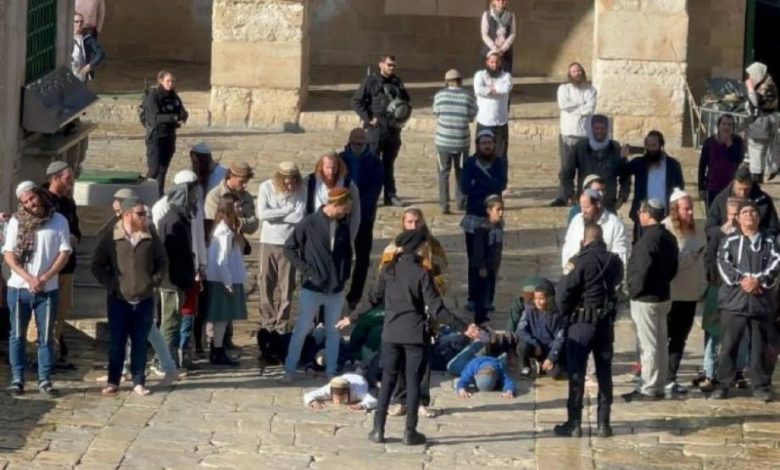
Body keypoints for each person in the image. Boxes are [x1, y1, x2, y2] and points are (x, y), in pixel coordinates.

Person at [338, 229, 469, 446]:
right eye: (423, 245)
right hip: (414, 335)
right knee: (413, 380)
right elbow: (437, 309)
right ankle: (410, 431)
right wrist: (464, 327)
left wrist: (351, 318)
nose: (426, 248)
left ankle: (378, 429)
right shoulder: (422, 273)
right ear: (417, 247)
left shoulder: (389, 270)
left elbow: (372, 299)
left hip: (391, 333)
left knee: (388, 380)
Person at [91, 196, 166, 397]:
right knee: (117, 342)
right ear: (127, 214)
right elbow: (97, 264)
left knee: (140, 342)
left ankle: (139, 381)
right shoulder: (112, 237)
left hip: (144, 299)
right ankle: (113, 380)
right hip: (119, 300)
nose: (144, 217)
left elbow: (162, 261)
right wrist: (112, 284)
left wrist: (153, 281)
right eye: (140, 213)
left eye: (145, 213)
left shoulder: (150, 235)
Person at [379, 207, 449, 419]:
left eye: (417, 221)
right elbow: (383, 277)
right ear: (403, 223)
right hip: (400, 310)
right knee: (399, 361)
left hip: (427, 306)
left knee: (422, 359)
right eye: (409, 221)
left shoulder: (433, 246)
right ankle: (401, 400)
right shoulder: (393, 247)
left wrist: (433, 288)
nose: (413, 225)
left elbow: (444, 274)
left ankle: (421, 400)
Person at [3, 182, 72, 397]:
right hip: (19, 288)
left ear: (39, 195)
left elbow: (64, 252)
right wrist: (29, 278)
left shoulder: (59, 220)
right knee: (17, 335)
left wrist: (44, 278)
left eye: (32, 198)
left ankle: (45, 379)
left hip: (47, 289)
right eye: (25, 202)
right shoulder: (16, 221)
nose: (30, 204)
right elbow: (9, 254)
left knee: (46, 335)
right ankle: (17, 378)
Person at [554, 223, 623, 438]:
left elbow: (563, 292)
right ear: (602, 240)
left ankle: (574, 423)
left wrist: (565, 316)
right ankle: (604, 423)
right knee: (604, 374)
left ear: (584, 241)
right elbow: (618, 282)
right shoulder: (614, 261)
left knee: (576, 373)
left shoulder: (579, 261)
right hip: (604, 324)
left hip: (581, 324)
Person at [283, 188, 354, 382]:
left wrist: (344, 275)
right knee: (302, 329)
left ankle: (331, 370)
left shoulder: (343, 225)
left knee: (333, 330)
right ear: (335, 204)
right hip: (312, 287)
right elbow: (289, 248)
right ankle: (289, 369)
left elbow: (347, 253)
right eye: (345, 208)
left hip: (335, 288)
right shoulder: (309, 223)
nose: (347, 212)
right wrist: (308, 271)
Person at [713, 200, 780, 402]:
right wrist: (742, 280)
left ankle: (761, 385)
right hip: (734, 302)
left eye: (753, 212)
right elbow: (723, 262)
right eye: (745, 212)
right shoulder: (730, 241)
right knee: (728, 345)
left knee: (760, 347)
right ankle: (723, 384)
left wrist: (758, 280)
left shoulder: (769, 241)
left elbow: (776, 262)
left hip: (760, 302)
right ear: (739, 218)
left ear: (758, 217)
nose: (749, 215)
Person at [623, 199, 679, 402]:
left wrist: (634, 292)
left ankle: (648, 387)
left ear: (647, 214)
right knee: (661, 343)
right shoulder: (668, 236)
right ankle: (659, 383)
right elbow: (674, 267)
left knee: (648, 345)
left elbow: (642, 270)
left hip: (646, 299)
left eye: (641, 212)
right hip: (662, 295)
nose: (639, 215)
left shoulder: (647, 240)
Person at [152, 170, 200, 369]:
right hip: (172, 280)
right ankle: (162, 361)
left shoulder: (180, 217)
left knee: (175, 320)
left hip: (179, 278)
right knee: (170, 323)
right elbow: (169, 253)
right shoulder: (172, 220)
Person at [661, 189, 706, 395]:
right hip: (672, 294)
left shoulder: (698, 228)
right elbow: (671, 261)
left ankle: (670, 377)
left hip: (691, 294)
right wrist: (692, 256)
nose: (690, 212)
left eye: (691, 208)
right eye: (686, 209)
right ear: (675, 210)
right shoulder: (666, 229)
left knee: (680, 338)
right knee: (664, 337)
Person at [352, 54, 410, 207]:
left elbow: (406, 101)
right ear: (381, 64)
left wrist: (402, 117)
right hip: (376, 129)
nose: (392, 68)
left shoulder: (397, 82)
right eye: (389, 65)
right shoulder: (370, 81)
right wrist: (368, 118)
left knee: (388, 164)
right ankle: (368, 195)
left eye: (394, 65)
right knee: (371, 164)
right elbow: (356, 101)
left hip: (393, 129)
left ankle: (390, 195)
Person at [697, 197, 742, 392]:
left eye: (736, 215)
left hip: (739, 291)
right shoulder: (719, 234)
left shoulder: (747, 235)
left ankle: (737, 372)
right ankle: (710, 372)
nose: (732, 219)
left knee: (739, 334)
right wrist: (710, 281)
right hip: (718, 286)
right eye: (730, 214)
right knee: (712, 332)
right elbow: (709, 258)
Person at [256, 161, 305, 335]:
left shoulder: (301, 190)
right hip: (268, 241)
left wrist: (275, 215)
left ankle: (282, 323)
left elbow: (299, 217)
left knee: (287, 285)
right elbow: (262, 214)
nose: (290, 186)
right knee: (266, 283)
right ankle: (267, 321)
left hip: (288, 243)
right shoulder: (266, 187)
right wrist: (286, 211)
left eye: (293, 182)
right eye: (287, 183)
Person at [461, 130, 508, 312]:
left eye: (490, 143)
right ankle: (473, 298)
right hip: (474, 218)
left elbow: (500, 184)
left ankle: (488, 298)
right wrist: (488, 184)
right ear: (478, 145)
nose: (487, 146)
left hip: (493, 219)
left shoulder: (500, 163)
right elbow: (466, 187)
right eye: (483, 143)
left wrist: (478, 182)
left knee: (492, 262)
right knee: (474, 260)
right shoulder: (470, 163)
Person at [41, 161, 81, 369]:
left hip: (66, 266)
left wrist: (74, 238)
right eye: (68, 178)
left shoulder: (68, 203)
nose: (71, 182)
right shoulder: (41, 201)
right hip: (47, 267)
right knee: (46, 312)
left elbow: (77, 230)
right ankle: (44, 354)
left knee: (62, 311)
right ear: (55, 178)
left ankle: (54, 352)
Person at [189, 142, 227, 355]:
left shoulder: (221, 174)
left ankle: (220, 339)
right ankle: (198, 341)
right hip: (199, 238)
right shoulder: (193, 177)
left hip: (215, 236)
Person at [340, 129, 384, 308]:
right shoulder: (340, 159)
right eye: (355, 143)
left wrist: (358, 207)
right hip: (343, 215)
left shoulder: (375, 162)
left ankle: (355, 295)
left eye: (362, 143)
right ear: (349, 142)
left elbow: (375, 189)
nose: (358, 146)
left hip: (365, 216)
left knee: (362, 257)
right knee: (341, 254)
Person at [204, 193, 249, 367]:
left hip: (225, 279)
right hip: (223, 280)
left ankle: (218, 349)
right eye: (237, 206)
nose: (240, 209)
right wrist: (228, 283)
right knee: (221, 318)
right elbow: (221, 260)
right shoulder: (224, 232)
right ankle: (217, 351)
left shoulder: (228, 229)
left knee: (222, 318)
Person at [557, 114, 629, 212]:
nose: (599, 132)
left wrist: (622, 197)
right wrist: (572, 196)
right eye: (596, 128)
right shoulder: (581, 147)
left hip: (608, 205)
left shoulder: (615, 148)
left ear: (607, 129)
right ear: (591, 129)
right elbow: (566, 174)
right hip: (585, 205)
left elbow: (625, 176)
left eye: (602, 129)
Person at [552, 63, 598, 207]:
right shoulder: (564, 89)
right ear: (569, 74)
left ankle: (583, 196)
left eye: (578, 71)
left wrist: (574, 108)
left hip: (584, 134)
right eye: (573, 71)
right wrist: (581, 106)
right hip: (568, 133)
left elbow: (589, 109)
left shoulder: (591, 90)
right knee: (566, 168)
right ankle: (564, 196)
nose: (577, 73)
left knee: (585, 169)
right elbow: (563, 105)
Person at [432, 69, 477, 213]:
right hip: (461, 142)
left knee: (443, 173)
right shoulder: (468, 96)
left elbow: (436, 113)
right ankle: (461, 203)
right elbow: (472, 116)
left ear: (446, 82)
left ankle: (444, 204)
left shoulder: (439, 96)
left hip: (443, 141)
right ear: (460, 81)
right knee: (462, 173)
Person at [627, 131, 685, 241]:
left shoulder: (672, 165)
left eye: (654, 146)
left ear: (661, 145)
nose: (651, 149)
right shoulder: (639, 163)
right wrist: (622, 157)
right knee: (641, 245)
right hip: (644, 215)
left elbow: (679, 188)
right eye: (648, 146)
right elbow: (622, 171)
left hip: (665, 215)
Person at [561, 189, 629, 273]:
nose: (583, 211)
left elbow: (621, 254)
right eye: (582, 207)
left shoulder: (615, 224)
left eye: (587, 207)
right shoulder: (576, 220)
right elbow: (567, 247)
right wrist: (567, 272)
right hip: (577, 274)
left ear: (598, 204)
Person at [143, 70, 188, 196]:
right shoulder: (153, 97)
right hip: (156, 137)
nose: (170, 84)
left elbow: (182, 112)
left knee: (163, 169)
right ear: (161, 81)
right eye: (168, 81)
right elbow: (155, 118)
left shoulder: (174, 97)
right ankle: (142, 191)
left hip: (169, 137)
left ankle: (158, 194)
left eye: (172, 81)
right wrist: (173, 117)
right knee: (154, 169)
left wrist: (182, 116)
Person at [706, 167, 780, 239]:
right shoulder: (721, 199)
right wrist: (723, 230)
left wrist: (759, 235)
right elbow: (709, 227)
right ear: (734, 183)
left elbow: (774, 227)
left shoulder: (764, 200)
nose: (742, 193)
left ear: (751, 184)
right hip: (726, 241)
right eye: (739, 189)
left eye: (746, 189)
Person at [512, 280, 566, 378]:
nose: (538, 302)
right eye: (536, 298)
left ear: (549, 299)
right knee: (522, 346)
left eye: (541, 299)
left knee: (556, 373)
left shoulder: (556, 315)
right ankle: (525, 366)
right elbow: (520, 330)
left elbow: (560, 338)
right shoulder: (529, 310)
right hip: (534, 346)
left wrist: (551, 358)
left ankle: (543, 365)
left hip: (549, 348)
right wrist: (535, 343)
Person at [304, 152, 361, 244]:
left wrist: (350, 239)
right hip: (314, 233)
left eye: (334, 168)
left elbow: (355, 214)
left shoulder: (348, 185)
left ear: (339, 166)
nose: (331, 172)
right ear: (321, 167)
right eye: (327, 168)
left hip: (339, 234)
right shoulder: (309, 182)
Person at [468, 195, 505, 324]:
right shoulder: (483, 228)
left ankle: (485, 310)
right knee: (481, 292)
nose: (501, 213)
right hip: (483, 266)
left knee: (490, 289)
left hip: (492, 264)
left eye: (502, 210)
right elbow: (478, 249)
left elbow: (499, 246)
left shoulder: (499, 226)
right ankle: (479, 316)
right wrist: (481, 266)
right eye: (498, 210)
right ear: (489, 211)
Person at [697, 114, 744, 207]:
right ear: (718, 125)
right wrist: (701, 187)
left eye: (729, 124)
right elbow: (702, 166)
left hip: (730, 186)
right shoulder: (709, 142)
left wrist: (729, 145)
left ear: (733, 127)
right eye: (724, 124)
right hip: (713, 185)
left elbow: (738, 159)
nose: (726, 127)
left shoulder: (737, 141)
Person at [744, 62, 779, 182]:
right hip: (768, 121)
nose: (750, 78)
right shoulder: (769, 83)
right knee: (764, 150)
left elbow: (755, 102)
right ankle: (765, 171)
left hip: (763, 123)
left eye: (751, 75)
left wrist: (750, 88)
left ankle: (756, 176)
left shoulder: (765, 86)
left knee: (757, 149)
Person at [474, 52, 512, 159]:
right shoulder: (479, 75)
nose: (494, 65)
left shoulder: (506, 76)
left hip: (501, 122)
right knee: (482, 154)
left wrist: (489, 89)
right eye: (492, 62)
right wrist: (495, 90)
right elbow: (479, 90)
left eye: (497, 62)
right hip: (484, 121)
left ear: (500, 63)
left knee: (501, 155)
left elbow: (505, 89)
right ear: (487, 62)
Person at [304, 375, 378, 411]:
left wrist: (361, 405)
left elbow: (374, 400)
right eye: (336, 397)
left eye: (342, 398)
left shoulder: (358, 391)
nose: (339, 401)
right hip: (345, 375)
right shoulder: (328, 388)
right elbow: (308, 395)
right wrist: (313, 402)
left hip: (360, 378)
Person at [480, 0, 516, 74]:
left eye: (503, 0)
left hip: (505, 51)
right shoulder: (487, 15)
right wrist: (494, 48)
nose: (501, 2)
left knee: (505, 75)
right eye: (498, 0)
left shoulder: (511, 15)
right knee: (487, 75)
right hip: (489, 49)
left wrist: (503, 48)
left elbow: (512, 33)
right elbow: (484, 34)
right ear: (493, 1)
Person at [72, 12, 105, 82]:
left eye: (81, 22)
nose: (79, 24)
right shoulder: (66, 37)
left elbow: (100, 52)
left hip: (81, 75)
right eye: (76, 22)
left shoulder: (88, 39)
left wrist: (90, 65)